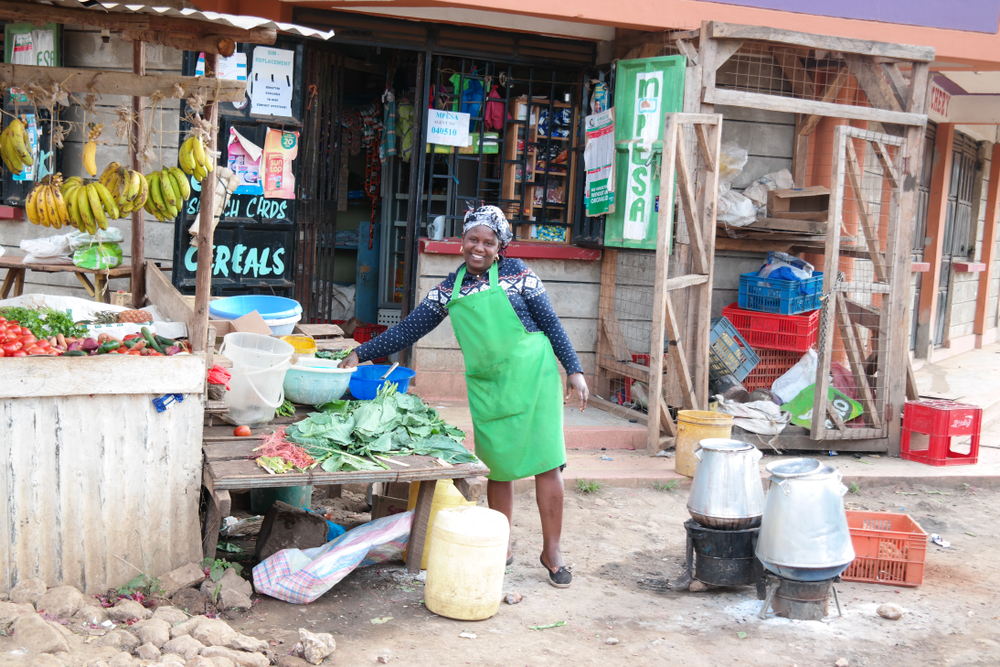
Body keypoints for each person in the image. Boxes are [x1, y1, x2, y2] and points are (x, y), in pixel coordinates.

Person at [339, 205, 590, 588]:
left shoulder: (520, 275)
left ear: (500, 246)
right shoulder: (447, 291)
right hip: (490, 386)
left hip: (534, 379)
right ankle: (500, 544)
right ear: (462, 242)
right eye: (473, 239)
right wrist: (362, 351)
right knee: (500, 467)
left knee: (547, 463)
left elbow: (551, 324)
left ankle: (552, 551)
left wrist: (574, 370)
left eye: (488, 242)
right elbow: (408, 330)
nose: (479, 247)